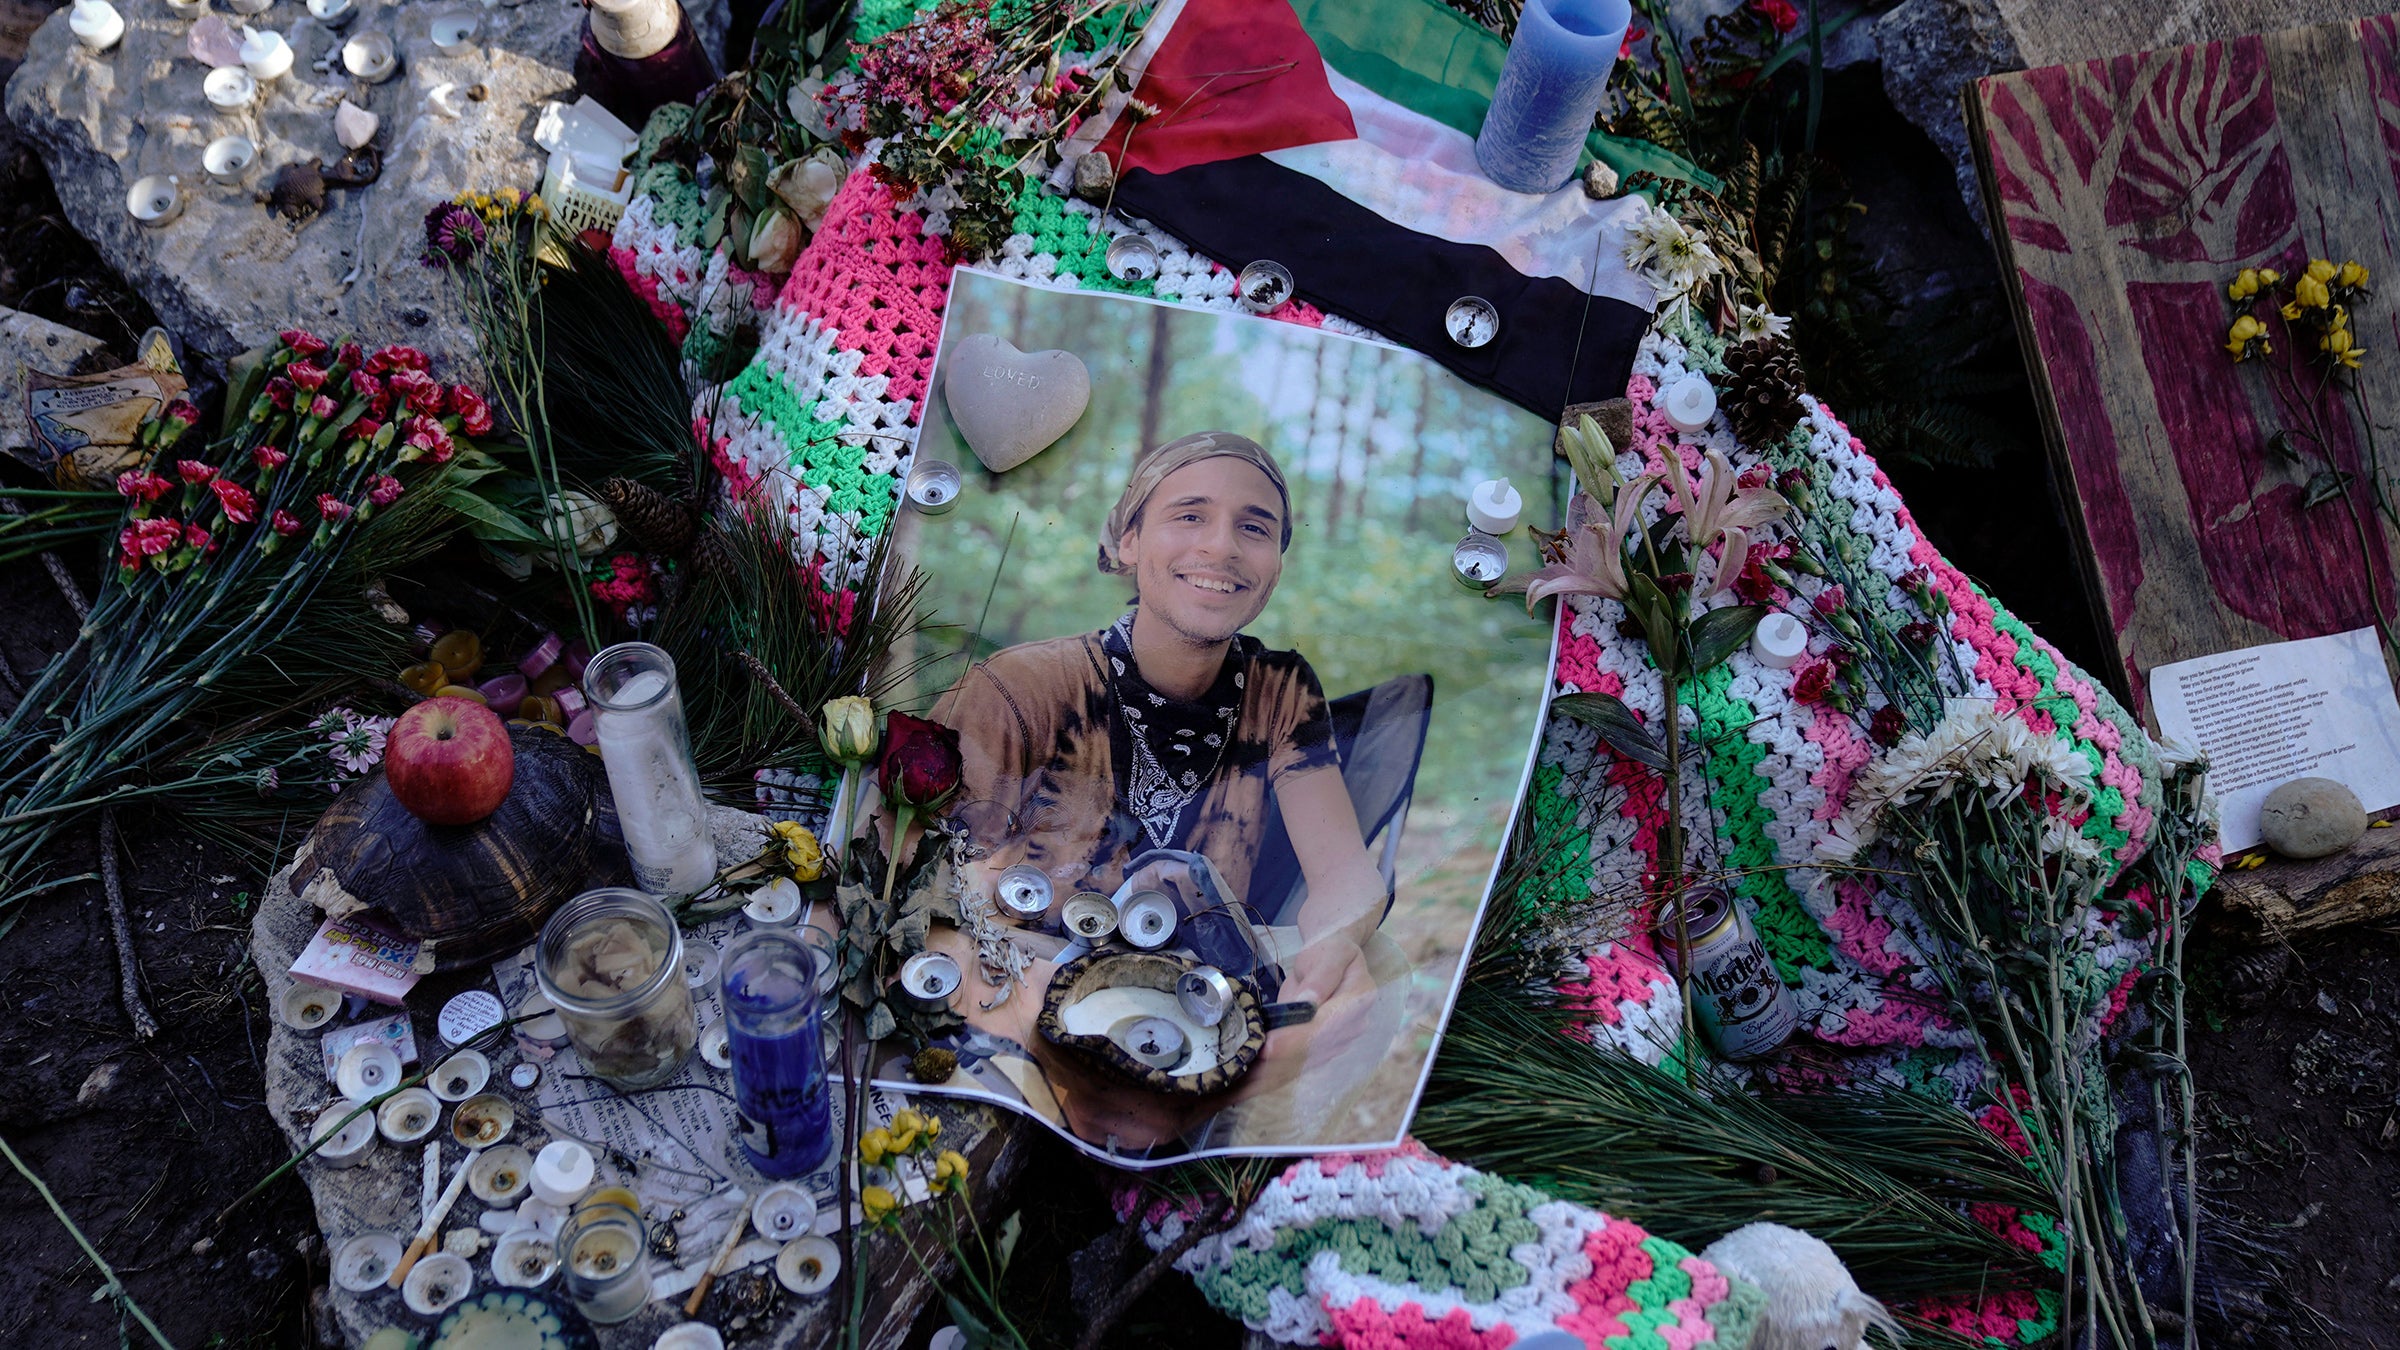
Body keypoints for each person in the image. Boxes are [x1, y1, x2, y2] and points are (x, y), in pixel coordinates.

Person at [922, 431, 1398, 1152]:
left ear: (1275, 564)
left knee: (1372, 975)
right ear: (1128, 540)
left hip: (1192, 1010)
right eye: (1189, 515)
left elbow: (1343, 874)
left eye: (1255, 527)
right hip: (1021, 997)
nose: (1223, 547)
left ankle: (1206, 1149)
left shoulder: (1278, 690)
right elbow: (916, 898)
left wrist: (1331, 959)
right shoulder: (1020, 689)